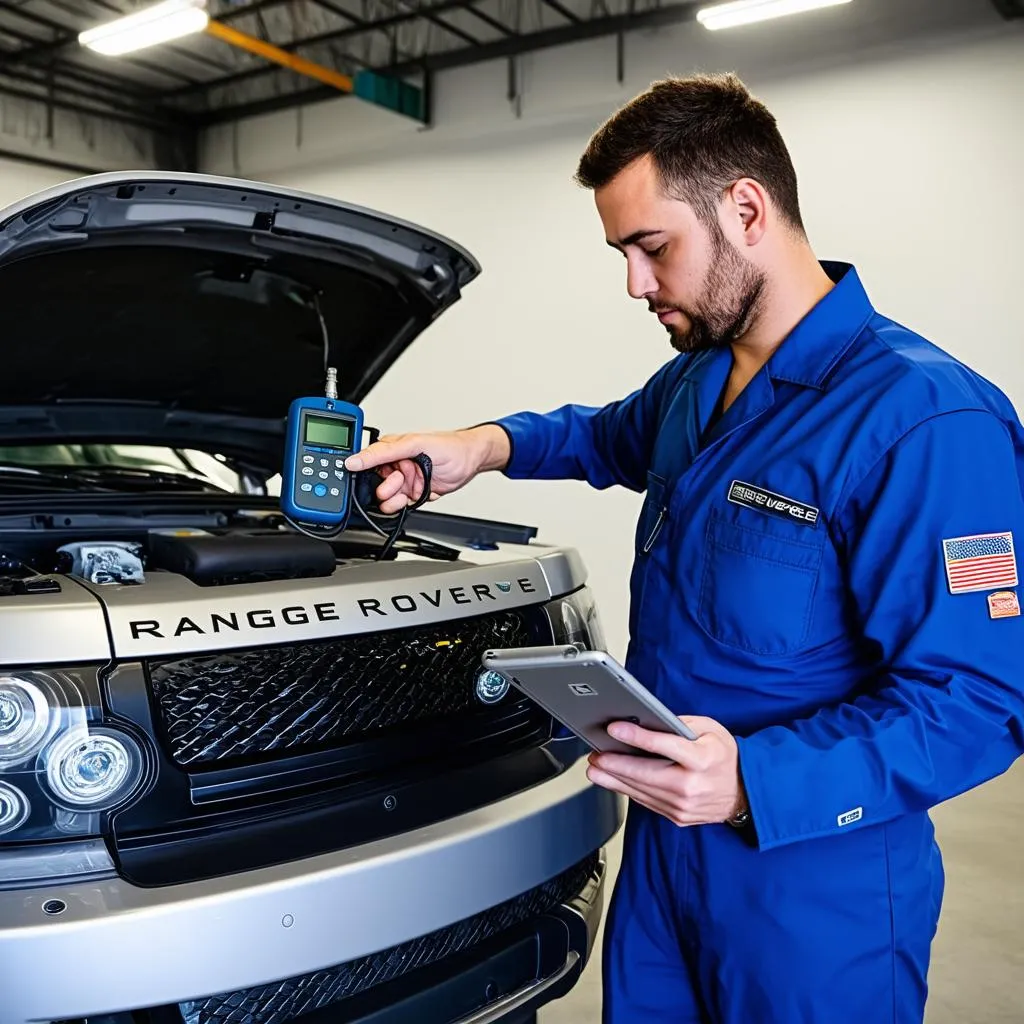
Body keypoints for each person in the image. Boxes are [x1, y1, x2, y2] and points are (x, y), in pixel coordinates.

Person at [345, 73, 1024, 1023]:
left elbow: (979, 704)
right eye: (622, 252)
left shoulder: (928, 421)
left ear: (746, 208)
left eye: (651, 247)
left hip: (810, 885)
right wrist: (479, 447)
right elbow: (599, 434)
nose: (634, 282)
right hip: (664, 851)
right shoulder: (698, 382)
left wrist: (753, 780)